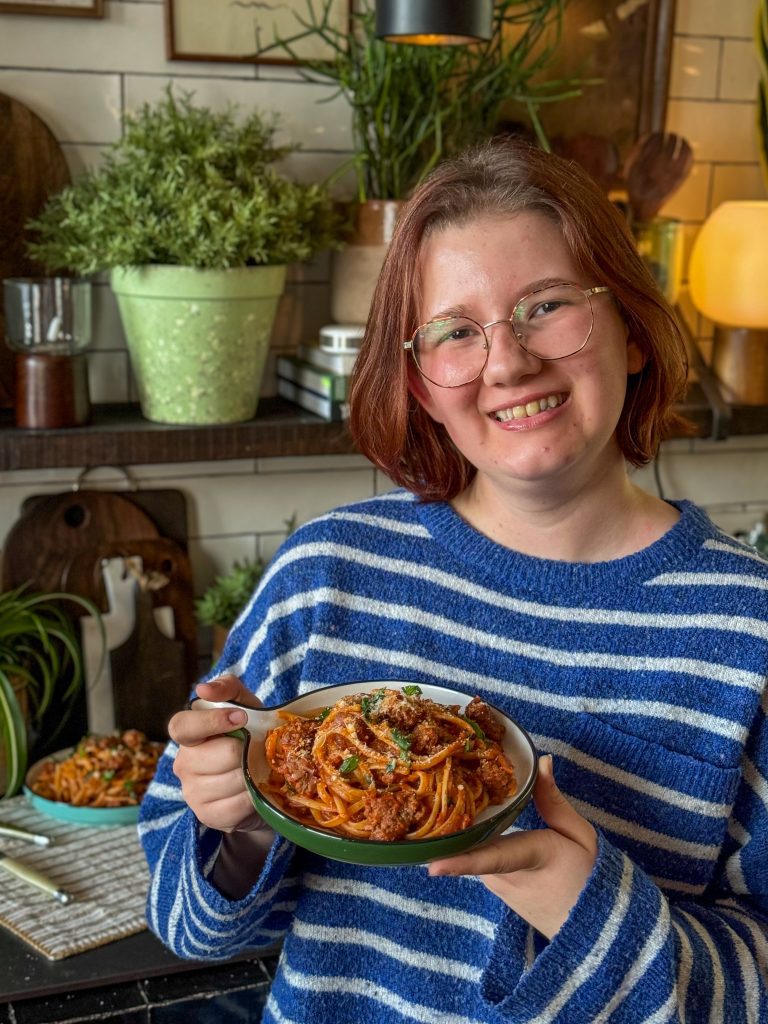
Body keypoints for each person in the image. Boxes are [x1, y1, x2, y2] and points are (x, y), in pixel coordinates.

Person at [138, 136, 768, 1023]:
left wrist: (589, 910)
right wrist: (235, 830)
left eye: (547, 306)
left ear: (630, 329)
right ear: (424, 384)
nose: (506, 362)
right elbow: (183, 924)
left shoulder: (750, 630)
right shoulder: (328, 577)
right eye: (456, 332)